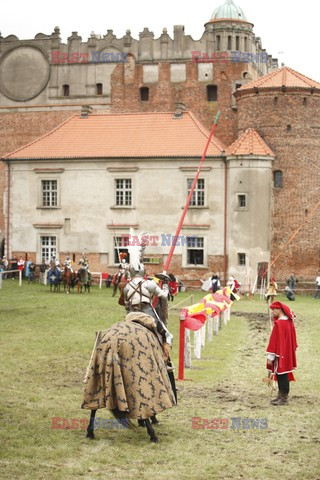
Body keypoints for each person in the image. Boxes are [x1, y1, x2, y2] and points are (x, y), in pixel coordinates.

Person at [266, 301, 298, 406]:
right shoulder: (288, 322)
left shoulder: (280, 324)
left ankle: (284, 398)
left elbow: (274, 341)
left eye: (274, 310)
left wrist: (270, 356)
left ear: (279, 310)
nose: (272, 312)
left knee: (283, 374)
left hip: (280, 353)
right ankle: (280, 395)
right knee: (280, 374)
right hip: (286, 352)